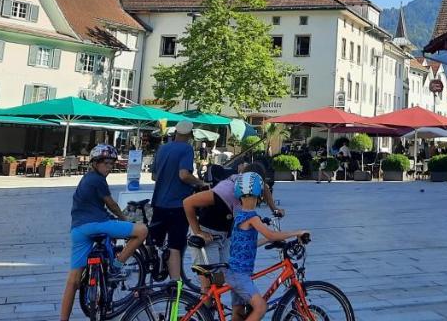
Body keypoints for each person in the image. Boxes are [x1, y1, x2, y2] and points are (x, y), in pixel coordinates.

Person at [58, 144, 148, 321]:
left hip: (78, 230)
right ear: (95, 163)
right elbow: (111, 204)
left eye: (111, 163)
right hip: (98, 225)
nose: (109, 167)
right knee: (142, 231)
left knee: (73, 280)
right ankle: (116, 265)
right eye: (105, 163)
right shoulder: (98, 180)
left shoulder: (87, 178)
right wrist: (123, 218)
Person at [226, 172, 309, 321]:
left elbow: (249, 243)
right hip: (240, 276)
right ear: (259, 195)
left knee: (238, 314)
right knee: (261, 307)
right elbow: (271, 234)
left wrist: (267, 241)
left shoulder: (239, 214)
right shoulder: (252, 217)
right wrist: (297, 232)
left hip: (234, 271)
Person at [182, 163, 284, 282]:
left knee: (223, 277)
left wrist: (274, 209)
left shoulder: (251, 185)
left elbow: (265, 188)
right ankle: (205, 299)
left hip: (226, 233)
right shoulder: (225, 191)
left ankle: (217, 298)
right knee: (209, 282)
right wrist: (198, 232)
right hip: (207, 232)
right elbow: (188, 203)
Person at [150, 121, 207, 281]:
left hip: (159, 201)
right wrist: (200, 183)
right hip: (177, 204)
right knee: (176, 243)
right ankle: (176, 283)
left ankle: (152, 267)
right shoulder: (187, 148)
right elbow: (184, 175)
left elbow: (154, 176)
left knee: (155, 240)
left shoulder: (162, 148)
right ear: (189, 135)